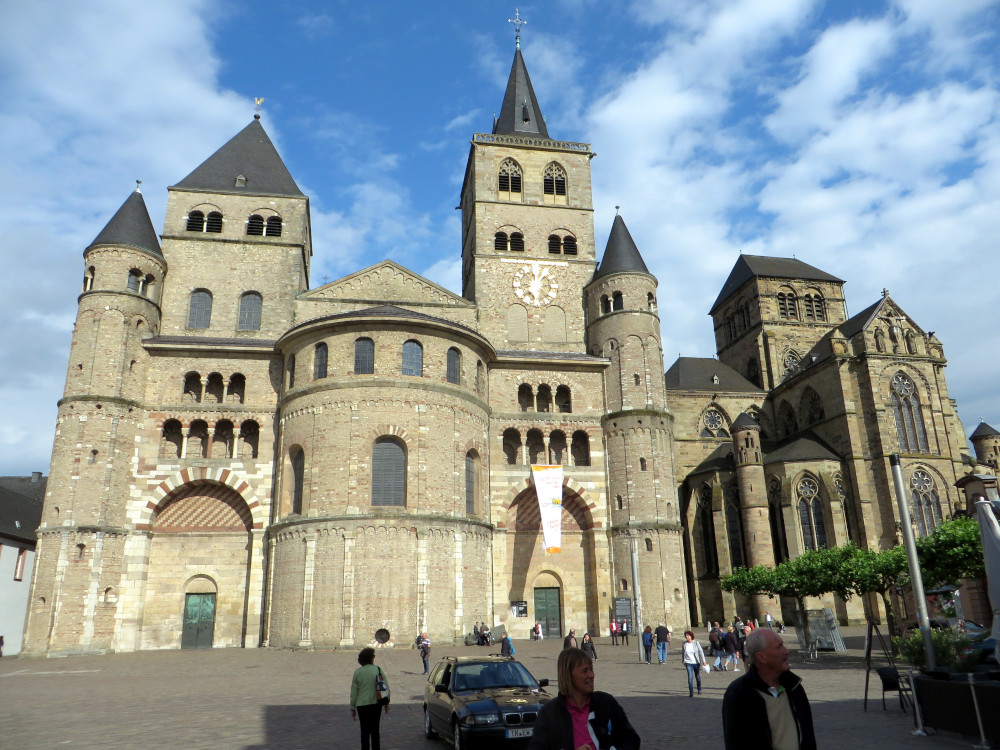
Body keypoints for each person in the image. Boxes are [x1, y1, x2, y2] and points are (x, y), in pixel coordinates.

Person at [527, 647, 640, 750]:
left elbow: (632, 740)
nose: (591, 675)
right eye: (584, 671)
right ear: (568, 675)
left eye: (591, 669)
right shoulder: (549, 713)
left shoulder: (606, 703)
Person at [722, 628, 816, 750]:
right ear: (762, 657)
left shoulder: (794, 686)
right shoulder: (739, 693)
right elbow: (735, 742)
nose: (786, 651)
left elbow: (808, 737)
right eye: (779, 647)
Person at [350, 647, 390, 750]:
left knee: (364, 731)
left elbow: (354, 692)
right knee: (375, 730)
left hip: (362, 705)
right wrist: (386, 703)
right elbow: (385, 687)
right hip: (376, 704)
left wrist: (352, 707)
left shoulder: (357, 673)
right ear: (371, 658)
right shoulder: (378, 670)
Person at [681, 630, 708, 697]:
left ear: (691, 636)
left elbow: (701, 652)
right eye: (686, 635)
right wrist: (683, 661)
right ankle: (691, 691)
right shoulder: (684, 643)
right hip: (688, 662)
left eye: (688, 635)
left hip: (696, 662)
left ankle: (699, 688)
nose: (687, 637)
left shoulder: (696, 643)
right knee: (690, 677)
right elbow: (683, 653)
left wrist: (704, 661)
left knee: (697, 676)